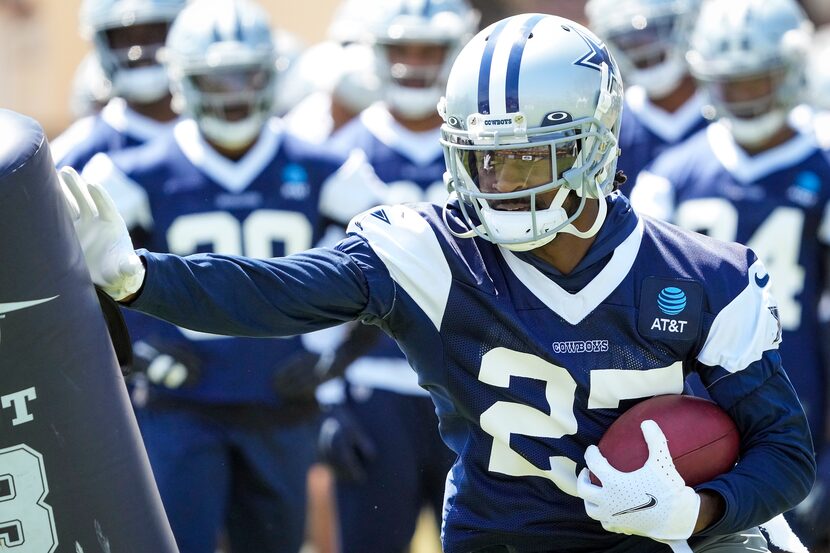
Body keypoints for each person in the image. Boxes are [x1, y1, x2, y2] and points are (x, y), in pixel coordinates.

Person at [62, 12, 815, 553]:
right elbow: (276, 290)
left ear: (591, 145)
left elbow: (784, 451)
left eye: (525, 157)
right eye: (482, 157)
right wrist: (137, 278)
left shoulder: (703, 274)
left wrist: (702, 508)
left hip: (665, 538)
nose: (498, 179)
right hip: (505, 537)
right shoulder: (431, 250)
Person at [78, 1, 385, 552]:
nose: (232, 91)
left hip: (281, 402)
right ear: (183, 81)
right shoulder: (131, 171)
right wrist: (143, 353)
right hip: (181, 407)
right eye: (214, 78)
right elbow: (81, 281)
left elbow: (392, 271)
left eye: (246, 74)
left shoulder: (323, 165)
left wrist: (332, 361)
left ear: (272, 74)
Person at [277, 2, 478, 552]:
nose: (413, 63)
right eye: (401, 49)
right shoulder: (337, 156)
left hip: (475, 384)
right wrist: (330, 397)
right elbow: (311, 287)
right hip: (374, 388)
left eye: (428, 49)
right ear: (375, 54)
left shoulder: (487, 146)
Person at [629, 0, 828, 549]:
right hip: (697, 397)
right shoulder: (672, 175)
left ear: (789, 72)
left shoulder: (823, 162)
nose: (744, 96)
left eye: (757, 80)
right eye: (731, 82)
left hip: (800, 388)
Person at [584, 0, 708, 195]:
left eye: (657, 30)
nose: (644, 46)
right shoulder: (607, 125)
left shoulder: (733, 111)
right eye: (627, 38)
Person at [50, 0, 185, 171]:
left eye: (154, 32)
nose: (139, 51)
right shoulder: (70, 155)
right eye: (124, 36)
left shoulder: (216, 139)